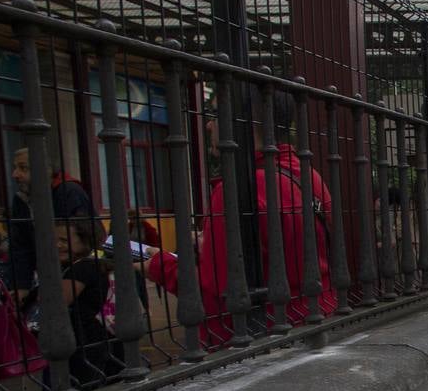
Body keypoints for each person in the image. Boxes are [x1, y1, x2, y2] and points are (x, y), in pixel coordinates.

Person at [144, 95, 337, 346]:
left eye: (214, 116)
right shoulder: (309, 176)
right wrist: (210, 244)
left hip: (257, 339)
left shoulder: (239, 190)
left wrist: (157, 265)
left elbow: (218, 290)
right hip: (313, 320)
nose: (208, 125)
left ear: (240, 122)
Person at [7, 148, 94, 301]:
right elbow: (20, 245)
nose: (15, 174)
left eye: (23, 168)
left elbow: (80, 239)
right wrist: (22, 285)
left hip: (75, 276)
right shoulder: (21, 199)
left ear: (45, 170)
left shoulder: (68, 191)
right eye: (15, 168)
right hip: (44, 274)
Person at [56, 219, 118, 389]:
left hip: (83, 340)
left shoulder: (81, 268)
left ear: (86, 240)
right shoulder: (99, 263)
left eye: (64, 240)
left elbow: (57, 301)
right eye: (54, 240)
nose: (57, 245)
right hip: (101, 337)